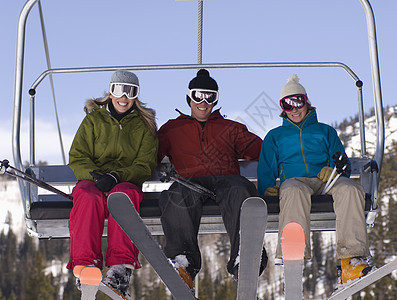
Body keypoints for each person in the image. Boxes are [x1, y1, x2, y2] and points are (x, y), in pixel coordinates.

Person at [257, 74, 373, 284]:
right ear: (282, 108)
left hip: (326, 181)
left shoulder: (325, 131)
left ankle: (351, 260)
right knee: (293, 190)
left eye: (298, 102)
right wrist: (266, 189)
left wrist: (333, 170)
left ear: (306, 101)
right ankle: (294, 253)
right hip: (296, 182)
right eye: (288, 104)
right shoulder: (275, 137)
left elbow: (341, 162)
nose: (294, 109)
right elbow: (266, 168)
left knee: (351, 190)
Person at [157, 69, 268, 289]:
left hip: (224, 180)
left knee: (240, 190)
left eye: (210, 97)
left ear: (216, 100)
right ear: (189, 97)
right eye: (198, 95)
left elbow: (263, 150)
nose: (204, 102)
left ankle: (244, 255)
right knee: (175, 195)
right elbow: (149, 155)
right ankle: (183, 262)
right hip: (189, 181)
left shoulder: (230, 128)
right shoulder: (172, 129)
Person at [67, 70, 158, 298]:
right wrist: (94, 175)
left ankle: (119, 269)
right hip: (94, 181)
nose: (124, 97)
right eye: (119, 90)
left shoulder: (144, 125)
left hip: (125, 181)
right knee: (87, 195)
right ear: (110, 91)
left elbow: (145, 164)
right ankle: (86, 264)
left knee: (123, 196)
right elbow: (78, 155)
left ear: (136, 95)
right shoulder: (94, 120)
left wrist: (118, 176)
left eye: (131, 91)